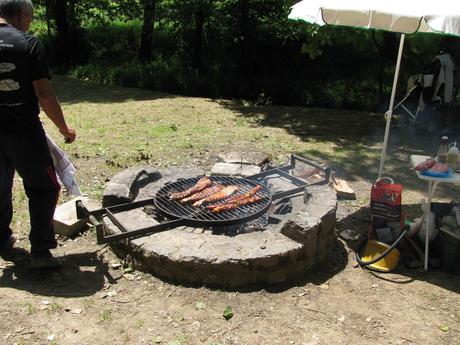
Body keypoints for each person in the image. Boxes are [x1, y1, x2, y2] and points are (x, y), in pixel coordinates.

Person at [0, 0, 76, 267]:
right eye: (30, 18)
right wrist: (63, 128)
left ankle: (1, 240)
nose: (29, 22)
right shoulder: (27, 43)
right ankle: (41, 252)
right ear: (21, 15)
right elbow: (43, 93)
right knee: (45, 187)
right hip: (22, 131)